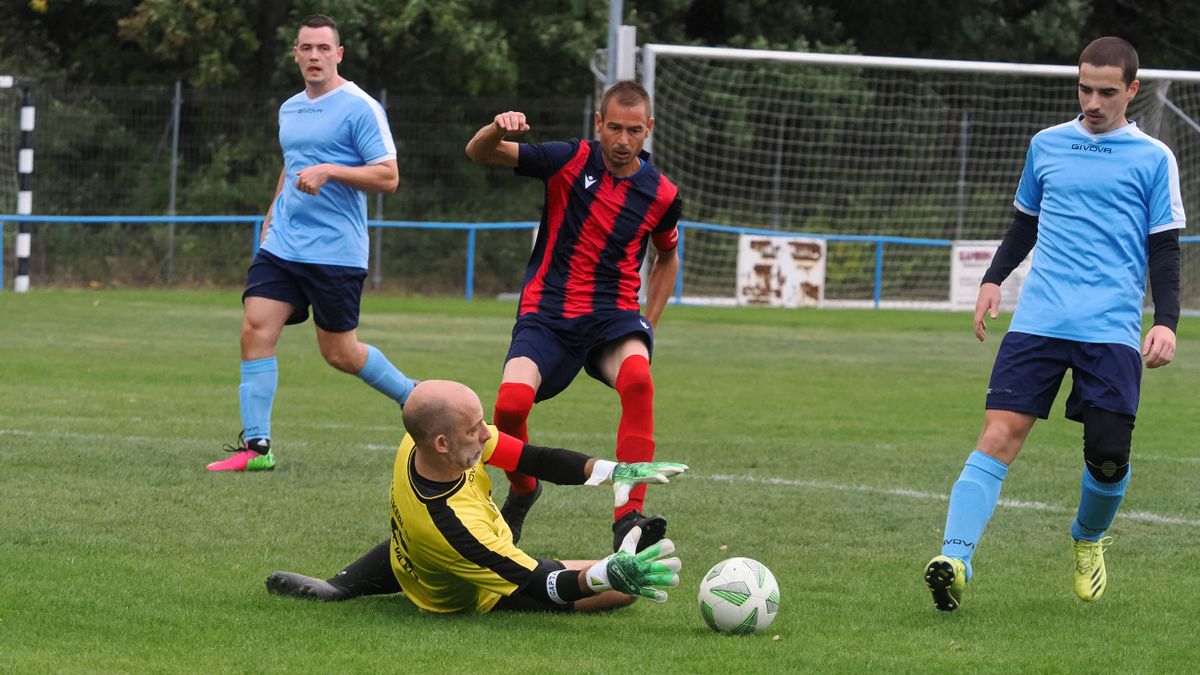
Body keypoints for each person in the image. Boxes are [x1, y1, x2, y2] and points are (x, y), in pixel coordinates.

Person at [924, 36, 1185, 611]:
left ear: (1132, 91)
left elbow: (1164, 250)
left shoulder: (1153, 158)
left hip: (1111, 328)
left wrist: (1166, 320)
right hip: (1038, 319)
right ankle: (955, 558)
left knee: (1109, 454)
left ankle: (1088, 538)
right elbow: (1024, 226)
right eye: (1084, 88)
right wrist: (993, 279)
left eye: (1107, 92)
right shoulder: (1047, 145)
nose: (1093, 101)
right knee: (999, 434)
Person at [464, 81, 683, 550]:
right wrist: (495, 127)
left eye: (635, 131)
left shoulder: (662, 195)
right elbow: (480, 152)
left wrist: (648, 325)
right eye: (615, 129)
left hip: (613, 317)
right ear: (599, 125)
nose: (624, 141)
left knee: (639, 381)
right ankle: (524, 488)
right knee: (510, 407)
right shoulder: (567, 159)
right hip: (547, 314)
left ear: (649, 130)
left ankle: (629, 516)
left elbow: (667, 259)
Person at [265, 380, 687, 614]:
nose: (487, 434)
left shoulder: (416, 445)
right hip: (470, 587)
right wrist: (604, 577)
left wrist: (615, 470)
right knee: (623, 591)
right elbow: (542, 583)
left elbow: (533, 457)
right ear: (444, 443)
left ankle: (337, 588)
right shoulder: (455, 529)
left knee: (407, 546)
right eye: (475, 430)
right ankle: (339, 589)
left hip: (412, 552)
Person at [207, 15, 416, 472]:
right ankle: (257, 448)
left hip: (336, 251)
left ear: (338, 54)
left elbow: (388, 176)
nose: (315, 56)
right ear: (296, 54)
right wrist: (270, 214)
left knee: (340, 353)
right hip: (283, 245)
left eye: (324, 48)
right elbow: (292, 164)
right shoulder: (289, 108)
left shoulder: (360, 107)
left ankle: (414, 397)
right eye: (306, 48)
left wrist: (331, 170)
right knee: (254, 327)